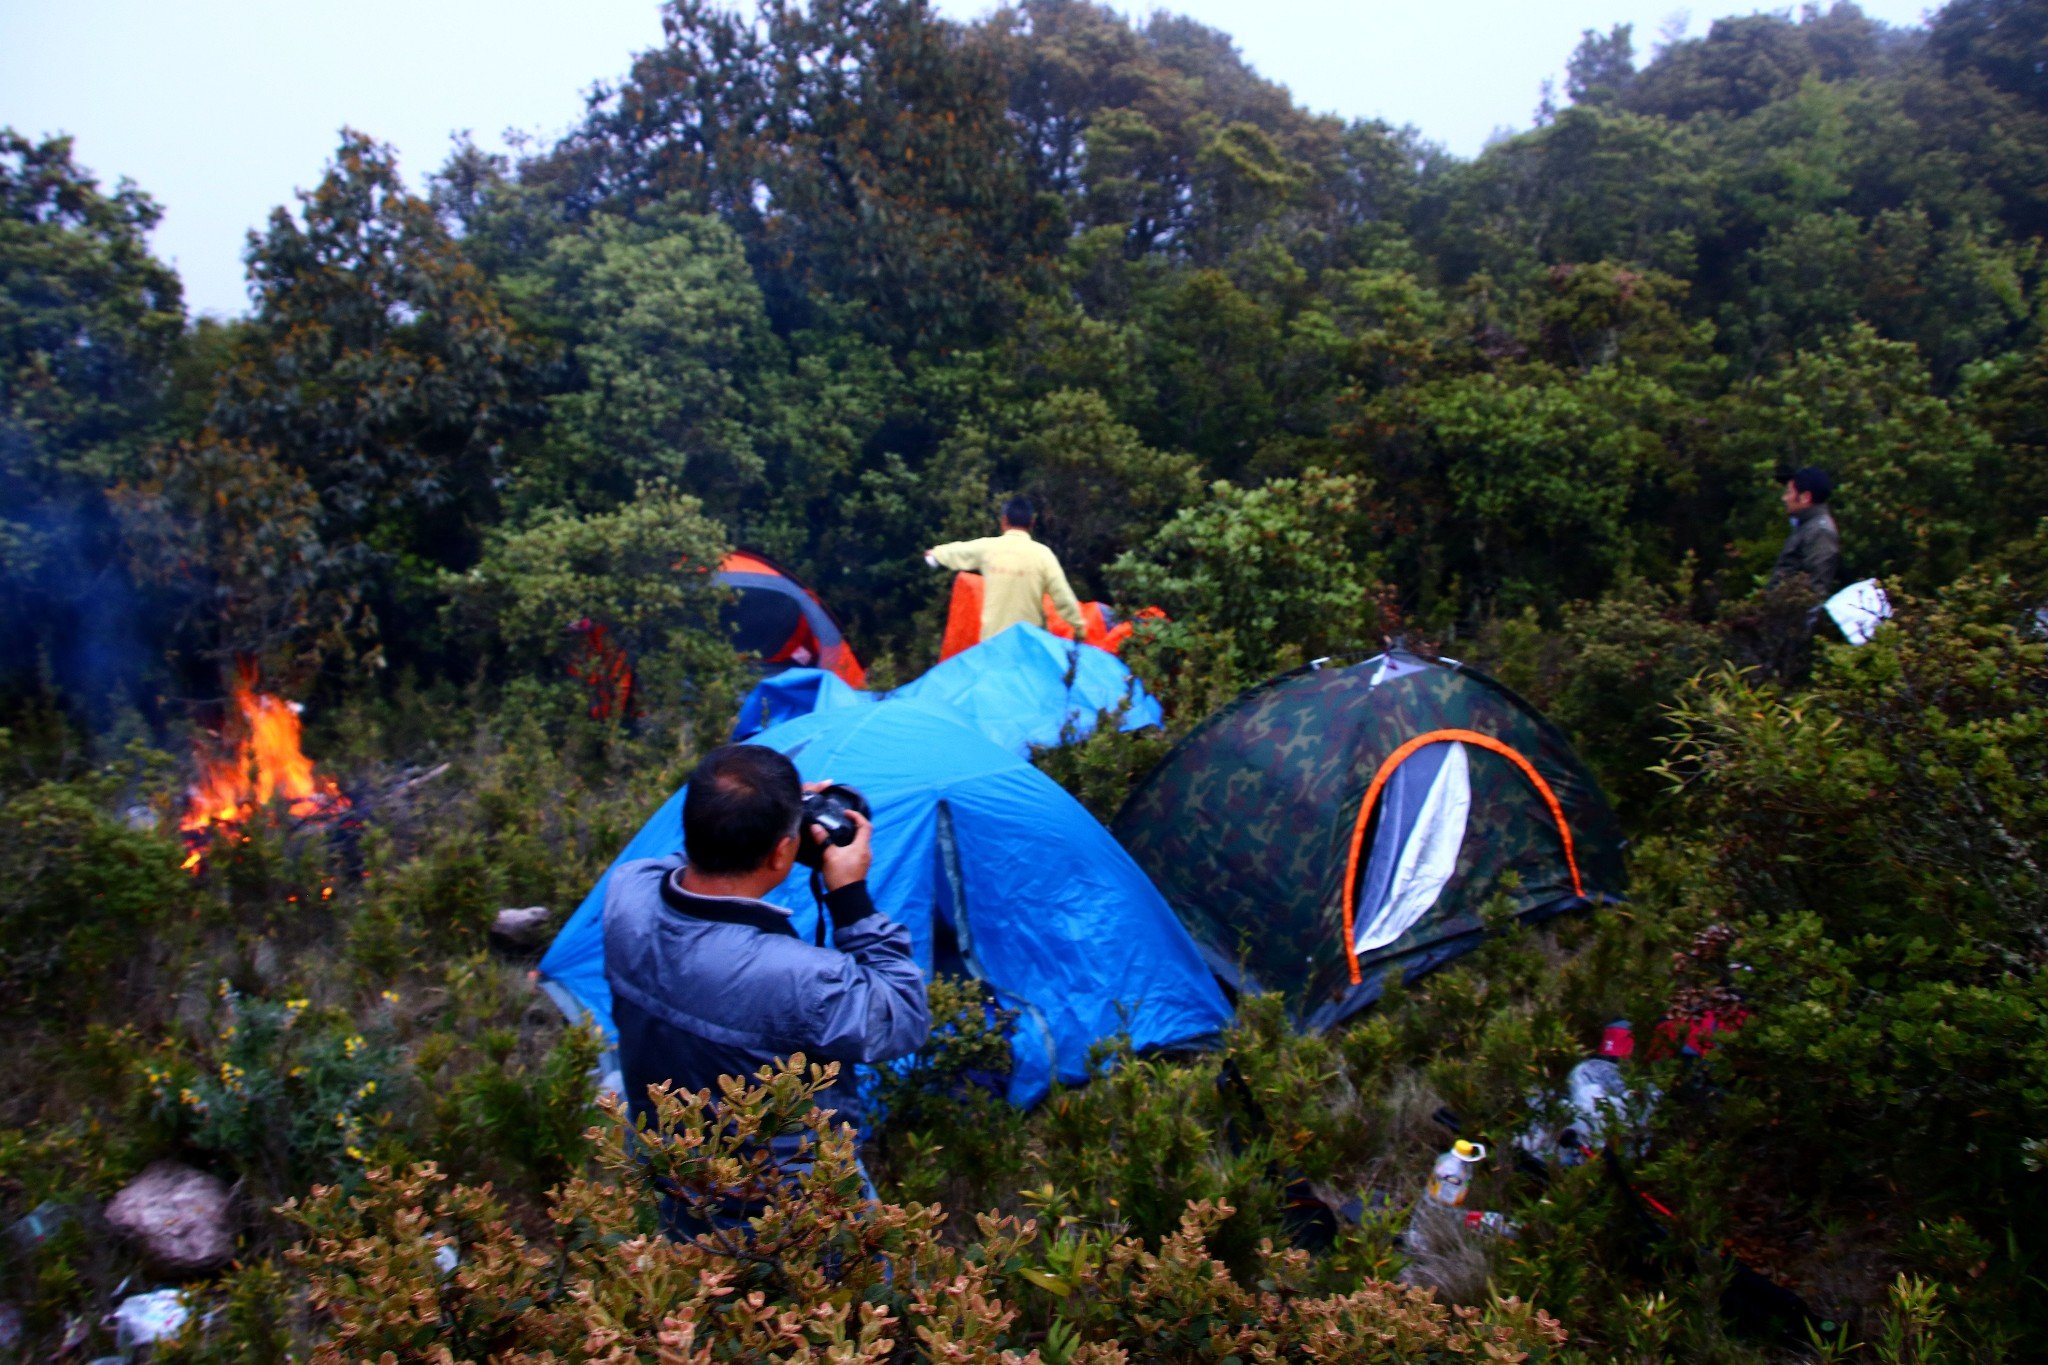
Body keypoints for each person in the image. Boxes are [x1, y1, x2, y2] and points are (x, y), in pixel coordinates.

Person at [603, 743, 929, 1235]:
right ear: (783, 851)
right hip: (790, 1210)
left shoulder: (626, 894)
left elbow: (687, 860)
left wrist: (765, 811)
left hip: (675, 1179)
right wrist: (850, 899)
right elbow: (902, 1017)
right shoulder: (798, 978)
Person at [925, 496, 1086, 643]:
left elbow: (959, 551)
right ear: (1031, 523)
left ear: (1004, 521)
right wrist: (1079, 627)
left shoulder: (988, 547)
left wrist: (935, 554)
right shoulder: (1043, 555)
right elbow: (1063, 596)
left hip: (992, 642)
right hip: (1028, 642)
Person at [1768, 466, 1841, 597]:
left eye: (1789, 492)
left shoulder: (1820, 531)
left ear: (1805, 497)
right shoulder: (1806, 526)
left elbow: (1816, 588)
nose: (1784, 498)